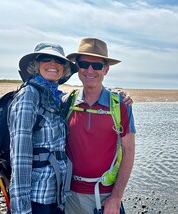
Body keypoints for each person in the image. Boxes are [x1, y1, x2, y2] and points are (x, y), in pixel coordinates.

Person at [64, 38, 136, 214]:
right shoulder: (66, 102)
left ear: (106, 69)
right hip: (69, 195)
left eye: (96, 66)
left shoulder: (120, 105)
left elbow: (129, 151)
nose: (89, 70)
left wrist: (116, 198)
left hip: (104, 197)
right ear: (77, 67)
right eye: (84, 64)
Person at [8, 42, 77, 213]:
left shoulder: (54, 96)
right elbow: (20, 156)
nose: (53, 64)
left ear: (64, 68)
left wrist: (118, 96)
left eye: (59, 61)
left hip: (55, 194)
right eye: (46, 58)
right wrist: (22, 209)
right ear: (36, 65)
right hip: (36, 199)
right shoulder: (28, 95)